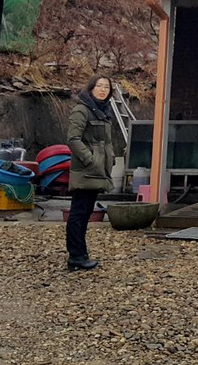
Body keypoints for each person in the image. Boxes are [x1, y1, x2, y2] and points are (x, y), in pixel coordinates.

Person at [66, 74, 125, 271]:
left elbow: (105, 142)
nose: (102, 90)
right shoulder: (82, 110)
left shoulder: (104, 112)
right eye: (99, 86)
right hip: (86, 170)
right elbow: (73, 139)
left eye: (106, 87)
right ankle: (76, 255)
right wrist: (90, 159)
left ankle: (81, 254)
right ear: (91, 88)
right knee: (78, 212)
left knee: (86, 213)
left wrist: (110, 159)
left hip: (98, 169)